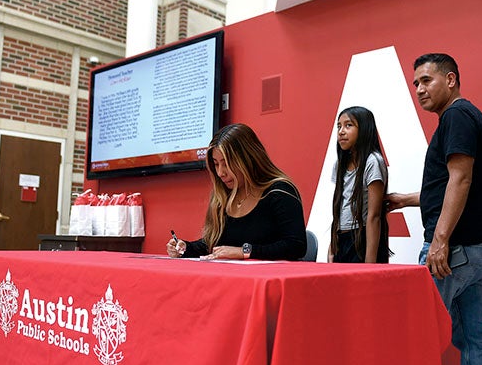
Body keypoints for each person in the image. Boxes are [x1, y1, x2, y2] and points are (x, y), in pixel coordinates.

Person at [386, 53, 482, 365]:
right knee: (474, 338)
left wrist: (440, 241)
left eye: (426, 80)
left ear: (450, 80)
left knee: (418, 333)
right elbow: (451, 185)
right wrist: (405, 200)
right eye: (415, 84)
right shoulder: (465, 115)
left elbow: (461, 179)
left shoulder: (456, 116)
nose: (419, 89)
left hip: (455, 251)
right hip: (479, 249)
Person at [166, 123, 306, 260]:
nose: (220, 172)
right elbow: (214, 244)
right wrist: (186, 248)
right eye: (216, 164)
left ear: (248, 159)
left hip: (271, 274)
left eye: (226, 163)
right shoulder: (223, 196)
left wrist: (244, 251)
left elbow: (296, 246)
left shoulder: (280, 192)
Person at [328, 106, 390, 263]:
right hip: (342, 238)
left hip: (362, 239)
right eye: (339, 126)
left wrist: (370, 263)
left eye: (348, 125)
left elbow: (374, 216)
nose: (341, 131)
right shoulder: (339, 164)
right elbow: (339, 207)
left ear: (364, 129)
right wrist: (332, 247)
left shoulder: (373, 162)